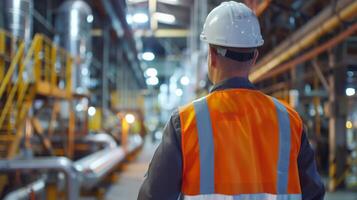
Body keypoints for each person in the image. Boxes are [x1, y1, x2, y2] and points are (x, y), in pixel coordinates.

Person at [138, 1, 325, 200]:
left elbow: (153, 196)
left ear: (211, 55)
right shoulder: (289, 121)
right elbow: (314, 194)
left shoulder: (184, 123)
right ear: (254, 57)